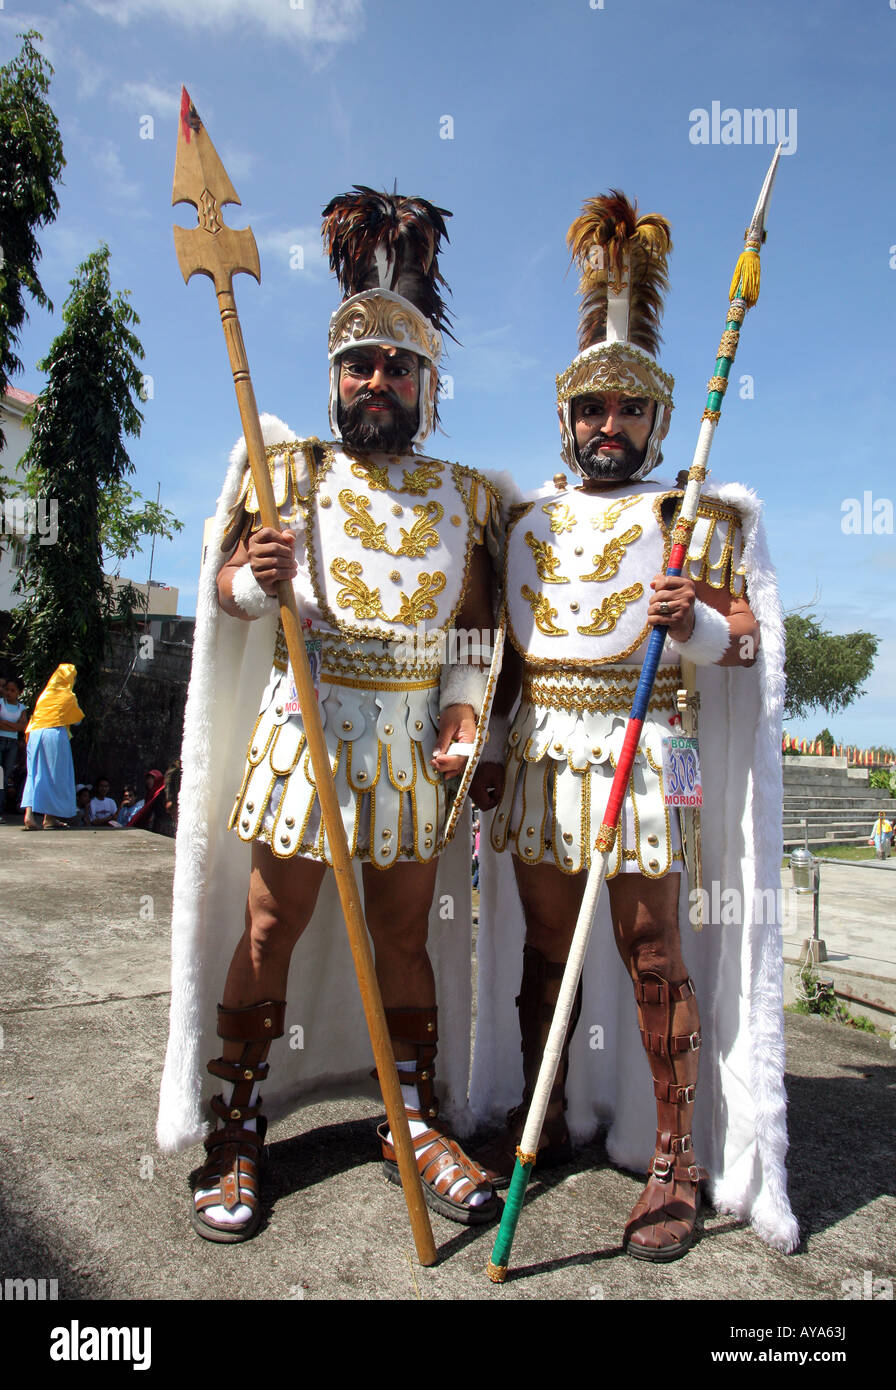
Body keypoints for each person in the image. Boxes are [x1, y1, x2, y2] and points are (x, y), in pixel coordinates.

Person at [158, 187, 501, 1243]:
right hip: (302, 729)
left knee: (406, 934)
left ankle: (413, 1118)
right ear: (337, 381)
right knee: (271, 921)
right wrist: (256, 577)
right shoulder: (287, 471)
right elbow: (222, 594)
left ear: (424, 383)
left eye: (398, 366)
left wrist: (458, 715)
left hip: (406, 743)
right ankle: (236, 1122)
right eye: (360, 366)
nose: (377, 381)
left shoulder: (466, 494)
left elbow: (477, 631)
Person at [471, 192, 798, 1259]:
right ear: (562, 418)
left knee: (652, 950)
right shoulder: (520, 520)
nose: (605, 426)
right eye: (588, 409)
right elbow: (497, 652)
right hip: (540, 757)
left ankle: (673, 1156)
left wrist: (695, 619)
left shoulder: (691, 512)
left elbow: (747, 641)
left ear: (656, 421)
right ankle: (548, 1114)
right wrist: (475, 739)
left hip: (649, 754)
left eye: (625, 411)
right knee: (541, 950)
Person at [21, 664, 84, 831]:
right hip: (53, 734)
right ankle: (49, 817)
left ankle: (29, 815)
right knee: (55, 774)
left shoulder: (45, 694)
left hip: (34, 732)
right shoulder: (68, 695)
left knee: (33, 772)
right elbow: (76, 719)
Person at [0, 675, 28, 817]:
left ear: (19, 692)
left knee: (5, 777)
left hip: (12, 744)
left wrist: (6, 724)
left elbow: (23, 727)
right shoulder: (1, 703)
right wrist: (15, 726)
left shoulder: (21, 708)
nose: (9, 693)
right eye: (7, 689)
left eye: (13, 690)